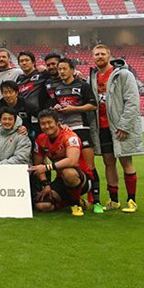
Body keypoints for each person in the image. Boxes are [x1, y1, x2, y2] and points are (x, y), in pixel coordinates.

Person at [90, 44, 143, 213]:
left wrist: (124, 125)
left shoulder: (124, 75)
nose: (99, 56)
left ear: (109, 56)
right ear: (92, 57)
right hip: (102, 127)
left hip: (119, 127)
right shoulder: (92, 77)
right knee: (108, 162)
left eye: (103, 54)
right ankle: (114, 200)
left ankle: (131, 200)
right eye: (96, 54)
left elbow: (132, 101)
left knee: (126, 161)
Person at [52, 58, 101, 211]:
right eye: (59, 69)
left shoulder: (83, 85)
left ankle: (96, 201)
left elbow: (93, 105)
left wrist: (73, 109)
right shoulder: (57, 88)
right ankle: (76, 200)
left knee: (89, 166)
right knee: (68, 167)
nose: (61, 72)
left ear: (72, 69)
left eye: (64, 68)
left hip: (81, 128)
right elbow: (55, 105)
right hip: (65, 131)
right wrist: (57, 107)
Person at [29, 109, 92, 216]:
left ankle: (75, 204)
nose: (47, 126)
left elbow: (72, 161)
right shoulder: (40, 139)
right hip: (61, 179)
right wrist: (46, 184)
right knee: (42, 206)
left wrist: (48, 167)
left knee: (68, 173)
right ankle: (69, 202)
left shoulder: (70, 136)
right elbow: (38, 165)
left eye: (49, 122)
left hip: (81, 179)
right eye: (43, 124)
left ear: (57, 123)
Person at [16, 51, 49, 117]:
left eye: (27, 60)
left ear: (33, 62)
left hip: (41, 115)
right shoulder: (19, 79)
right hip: (25, 116)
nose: (24, 63)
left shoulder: (42, 74)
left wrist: (75, 73)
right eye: (21, 61)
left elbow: (57, 76)